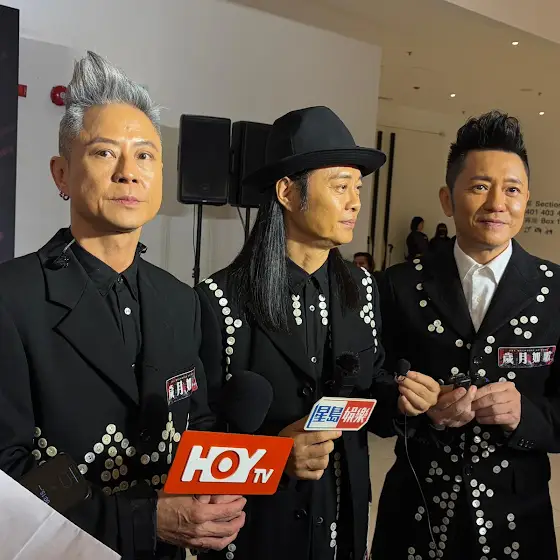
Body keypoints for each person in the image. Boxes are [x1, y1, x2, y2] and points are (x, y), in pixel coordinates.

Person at [0, 51, 246, 560]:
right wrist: (143, 519)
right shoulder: (13, 297)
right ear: (62, 174)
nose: (128, 173)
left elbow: (195, 422)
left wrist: (210, 498)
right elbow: (8, 467)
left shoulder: (180, 300)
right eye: (104, 153)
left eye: (145, 156)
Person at [196, 106, 440, 560]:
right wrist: (274, 457)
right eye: (340, 186)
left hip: (343, 523)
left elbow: (371, 387)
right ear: (288, 192)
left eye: (358, 189)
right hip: (257, 532)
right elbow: (196, 441)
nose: (355, 203)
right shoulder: (220, 300)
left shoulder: (362, 288)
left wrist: (404, 398)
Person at [371, 110, 560, 559]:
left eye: (511, 189)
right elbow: (366, 390)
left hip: (520, 519)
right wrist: (409, 402)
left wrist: (525, 414)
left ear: (526, 198)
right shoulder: (397, 285)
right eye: (479, 186)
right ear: (447, 198)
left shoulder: (555, 291)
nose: (497, 203)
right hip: (416, 514)